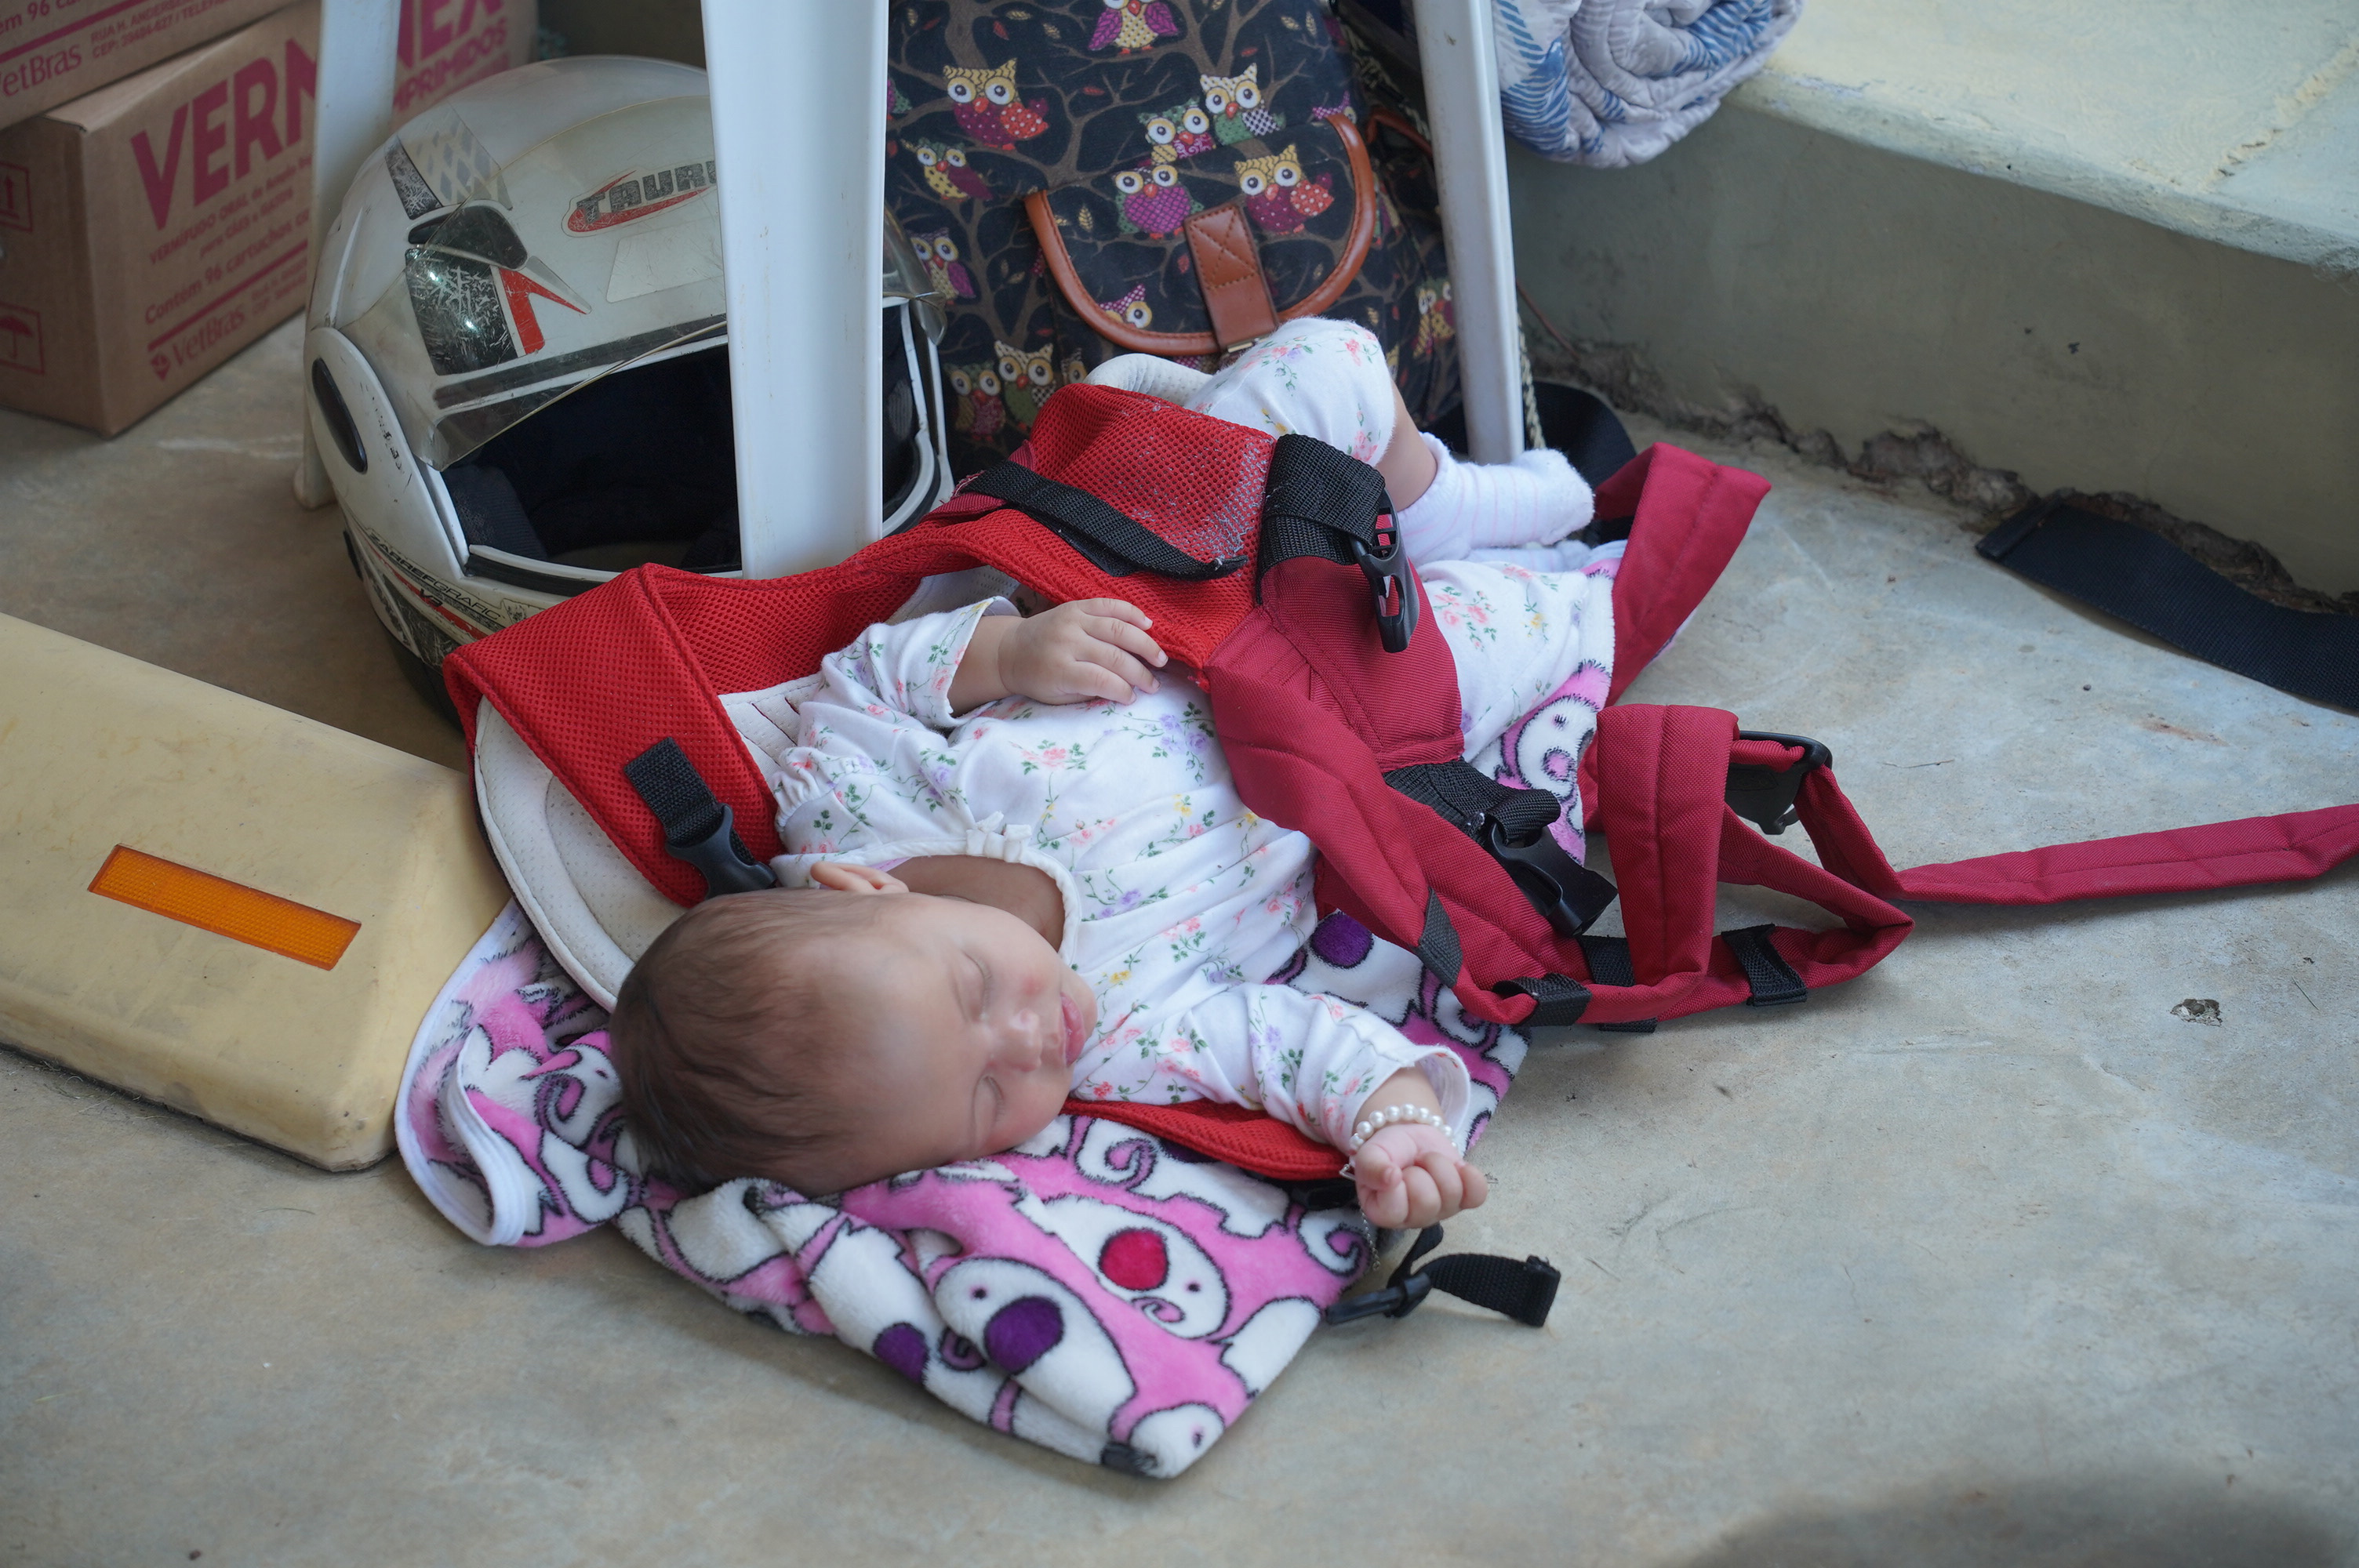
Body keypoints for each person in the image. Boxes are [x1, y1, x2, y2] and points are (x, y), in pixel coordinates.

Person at [609, 319, 1620, 1229]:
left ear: (858, 890)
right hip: (1367, 716)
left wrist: (1008, 655)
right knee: (1555, 620)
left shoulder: (852, 812)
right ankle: (1547, 559)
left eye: (974, 991)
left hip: (1199, 577)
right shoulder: (1122, 1037)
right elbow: (1277, 1041)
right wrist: (1392, 1120)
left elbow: (865, 676)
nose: (1029, 1041)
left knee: (1329, 363)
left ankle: (1447, 506)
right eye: (988, 1102)